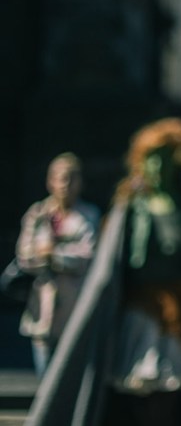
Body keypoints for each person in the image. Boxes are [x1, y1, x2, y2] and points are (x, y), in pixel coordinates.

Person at [102, 117, 181, 426]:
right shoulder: (131, 204)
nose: (155, 167)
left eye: (162, 159)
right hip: (143, 303)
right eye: (150, 159)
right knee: (143, 384)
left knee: (174, 388)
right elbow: (116, 257)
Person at [16, 152, 100, 376]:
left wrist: (53, 255)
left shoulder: (88, 216)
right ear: (50, 181)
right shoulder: (37, 214)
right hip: (42, 310)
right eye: (61, 178)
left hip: (75, 309)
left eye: (72, 179)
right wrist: (47, 256)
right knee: (46, 376)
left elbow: (87, 257)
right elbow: (25, 256)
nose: (66, 185)